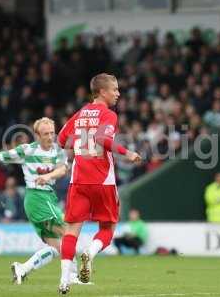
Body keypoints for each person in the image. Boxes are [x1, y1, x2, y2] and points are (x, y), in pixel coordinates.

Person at [57, 73, 141, 294]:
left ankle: (64, 280)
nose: (118, 93)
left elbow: (61, 139)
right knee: (107, 228)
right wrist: (127, 152)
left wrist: (79, 142)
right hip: (103, 180)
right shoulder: (108, 114)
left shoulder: (80, 114)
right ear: (102, 92)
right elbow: (104, 140)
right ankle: (90, 254)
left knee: (71, 230)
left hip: (79, 180)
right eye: (115, 89)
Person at [0, 117, 80, 285]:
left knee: (57, 247)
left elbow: (62, 170)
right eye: (46, 134)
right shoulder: (27, 151)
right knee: (68, 232)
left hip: (47, 197)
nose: (50, 137)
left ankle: (22, 268)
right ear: (37, 135)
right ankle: (73, 276)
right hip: (37, 197)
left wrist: (48, 176)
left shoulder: (58, 151)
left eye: (52, 133)